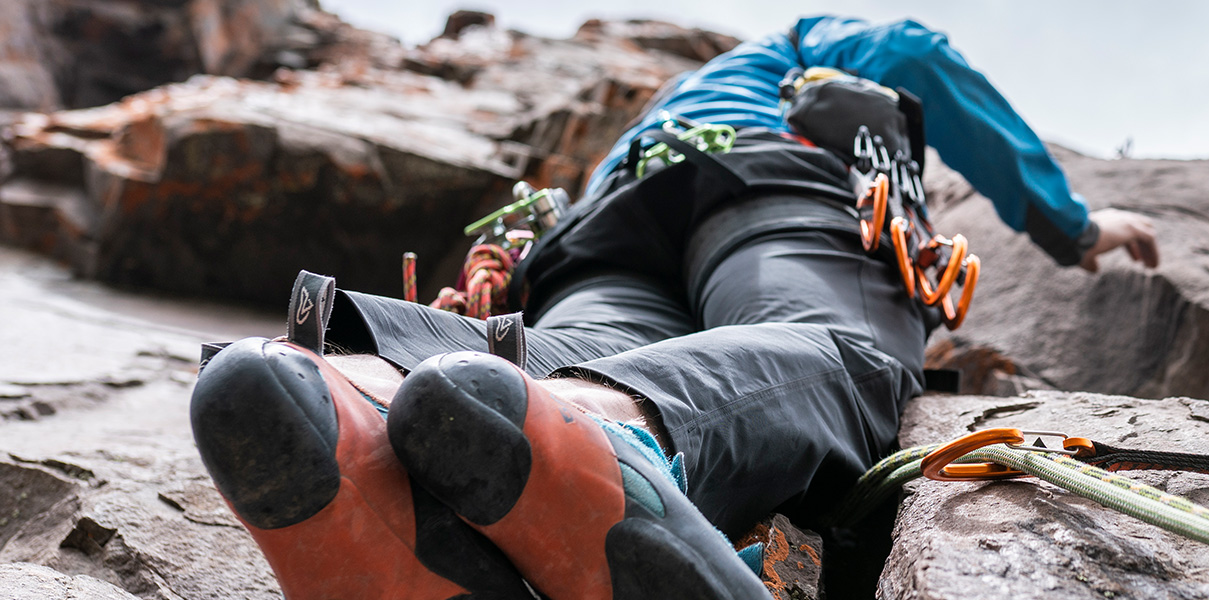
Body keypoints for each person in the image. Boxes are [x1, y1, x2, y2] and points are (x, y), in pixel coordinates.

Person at [187, 15, 1159, 600]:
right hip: (773, 189)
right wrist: (1071, 225)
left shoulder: (651, 119)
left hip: (600, 234)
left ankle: (345, 402)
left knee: (576, 346)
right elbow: (912, 51)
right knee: (822, 344)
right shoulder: (793, 51)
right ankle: (608, 438)